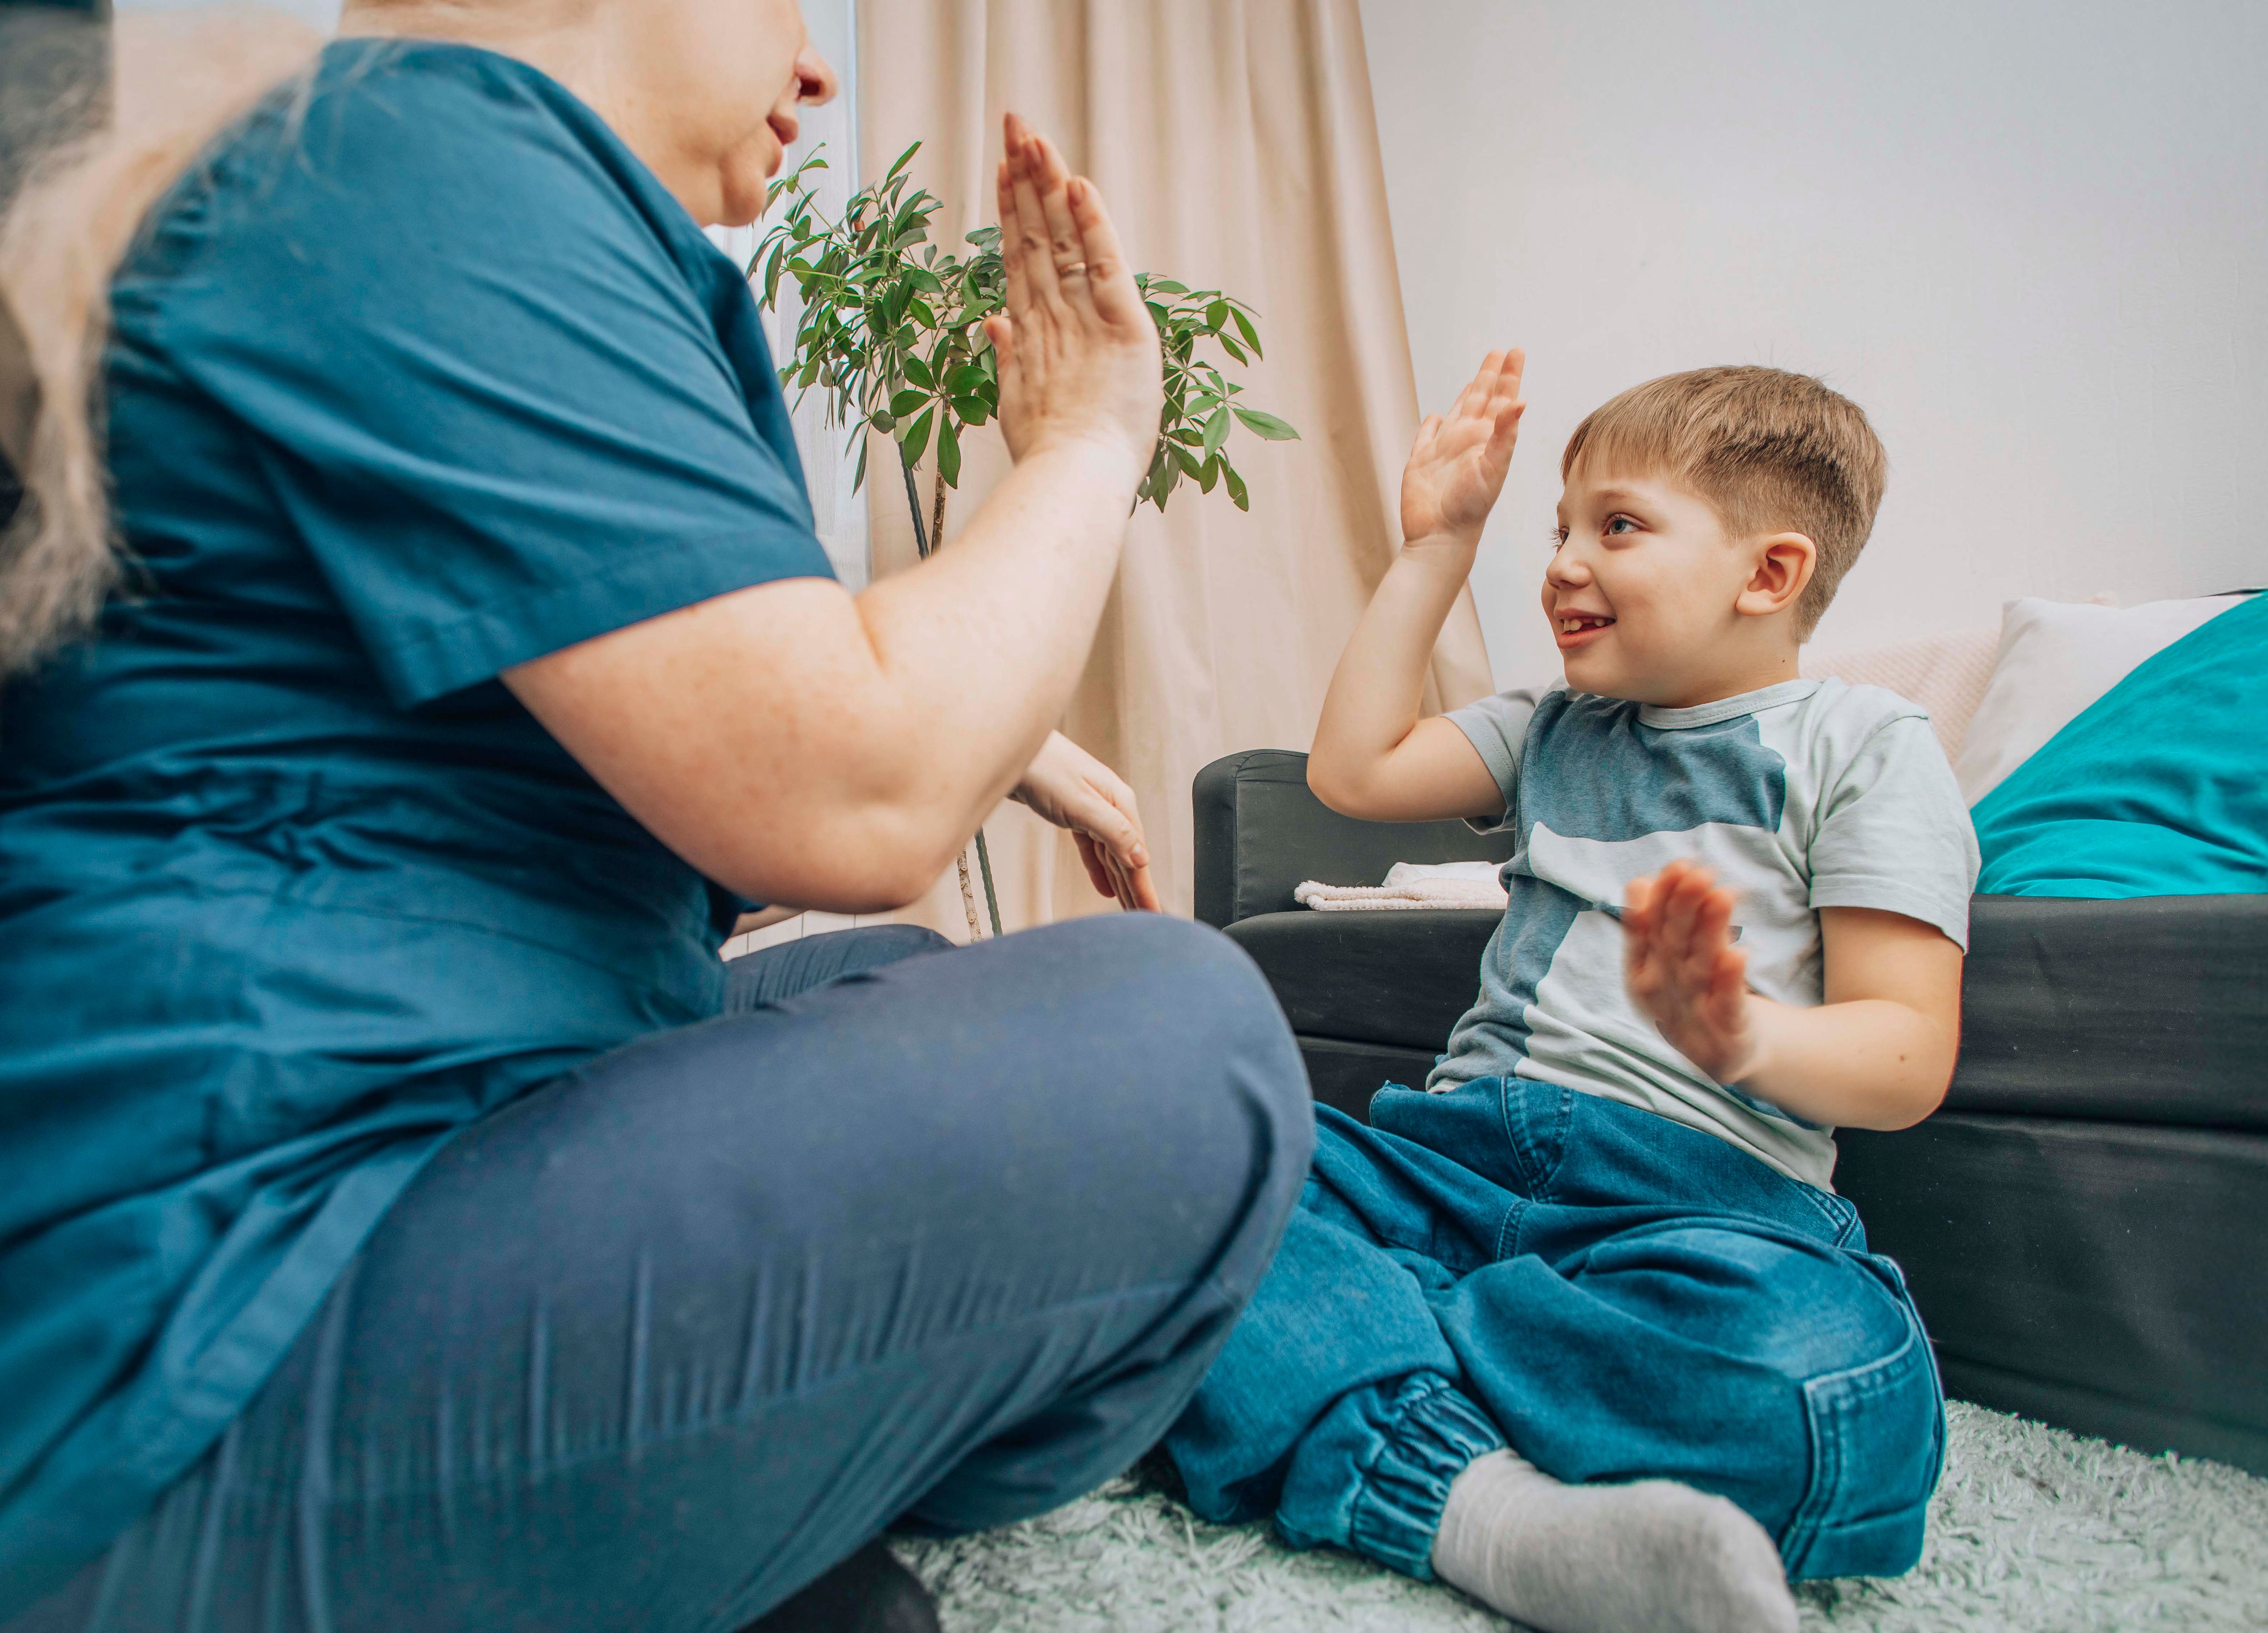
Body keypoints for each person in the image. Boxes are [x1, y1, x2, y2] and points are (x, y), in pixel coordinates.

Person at [0, 5, 1314, 1629]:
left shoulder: (354, 169)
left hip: (308, 1197)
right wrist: (1092, 437)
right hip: (197, 1344)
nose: (822, 70)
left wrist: (985, 727)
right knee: (1186, 1041)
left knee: (878, 975)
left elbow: (680, 712)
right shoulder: (419, 144)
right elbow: (858, 787)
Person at [1165, 358, 1980, 1633]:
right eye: (1559, 529)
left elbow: (1907, 1054)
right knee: (1178, 1160)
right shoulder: (1552, 725)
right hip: (1453, 1160)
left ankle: (1373, 1348)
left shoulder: (1863, 744)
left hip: (1700, 1204)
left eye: (1618, 527)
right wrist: (1436, 547)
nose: (1561, 563)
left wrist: (1742, 1033)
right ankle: (1481, 1497)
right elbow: (1354, 769)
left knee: (1837, 1391)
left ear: (1769, 575)